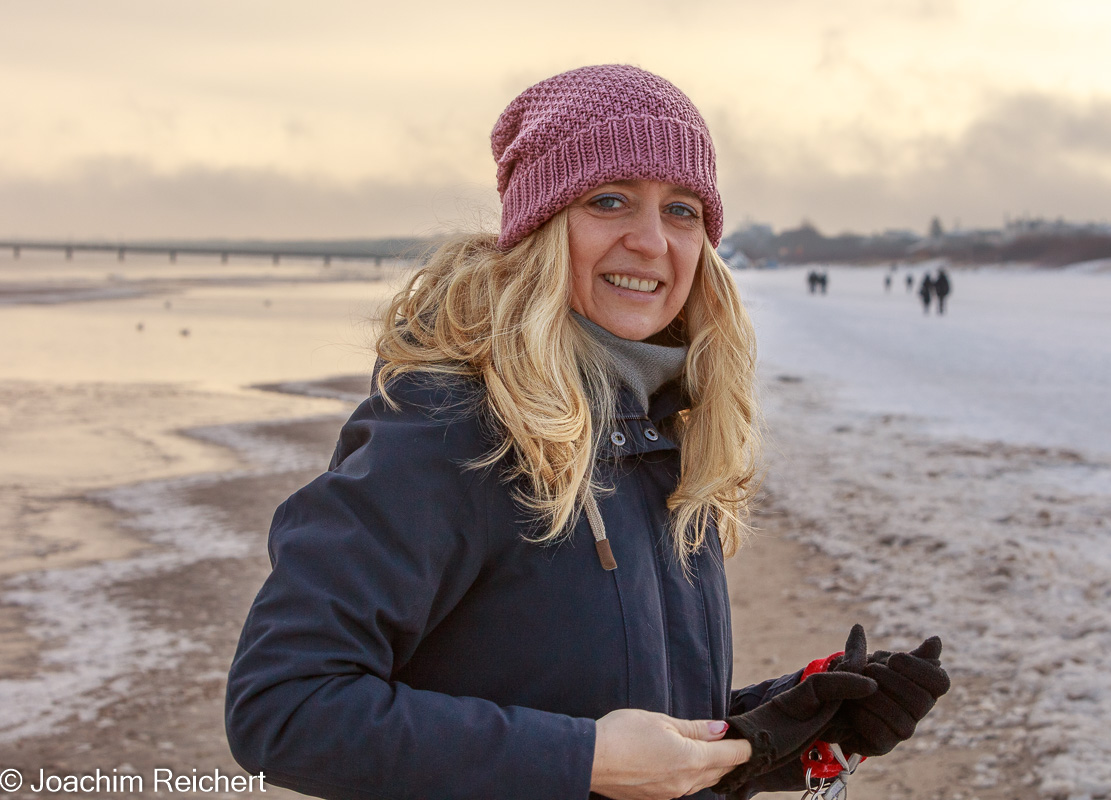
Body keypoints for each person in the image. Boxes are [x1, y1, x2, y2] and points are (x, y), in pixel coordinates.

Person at [225, 64, 946, 800]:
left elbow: (635, 728)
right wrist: (585, 757)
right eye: (610, 201)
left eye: (682, 211)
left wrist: (789, 727)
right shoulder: (453, 427)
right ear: (541, 226)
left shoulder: (665, 431)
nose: (651, 241)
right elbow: (281, 707)